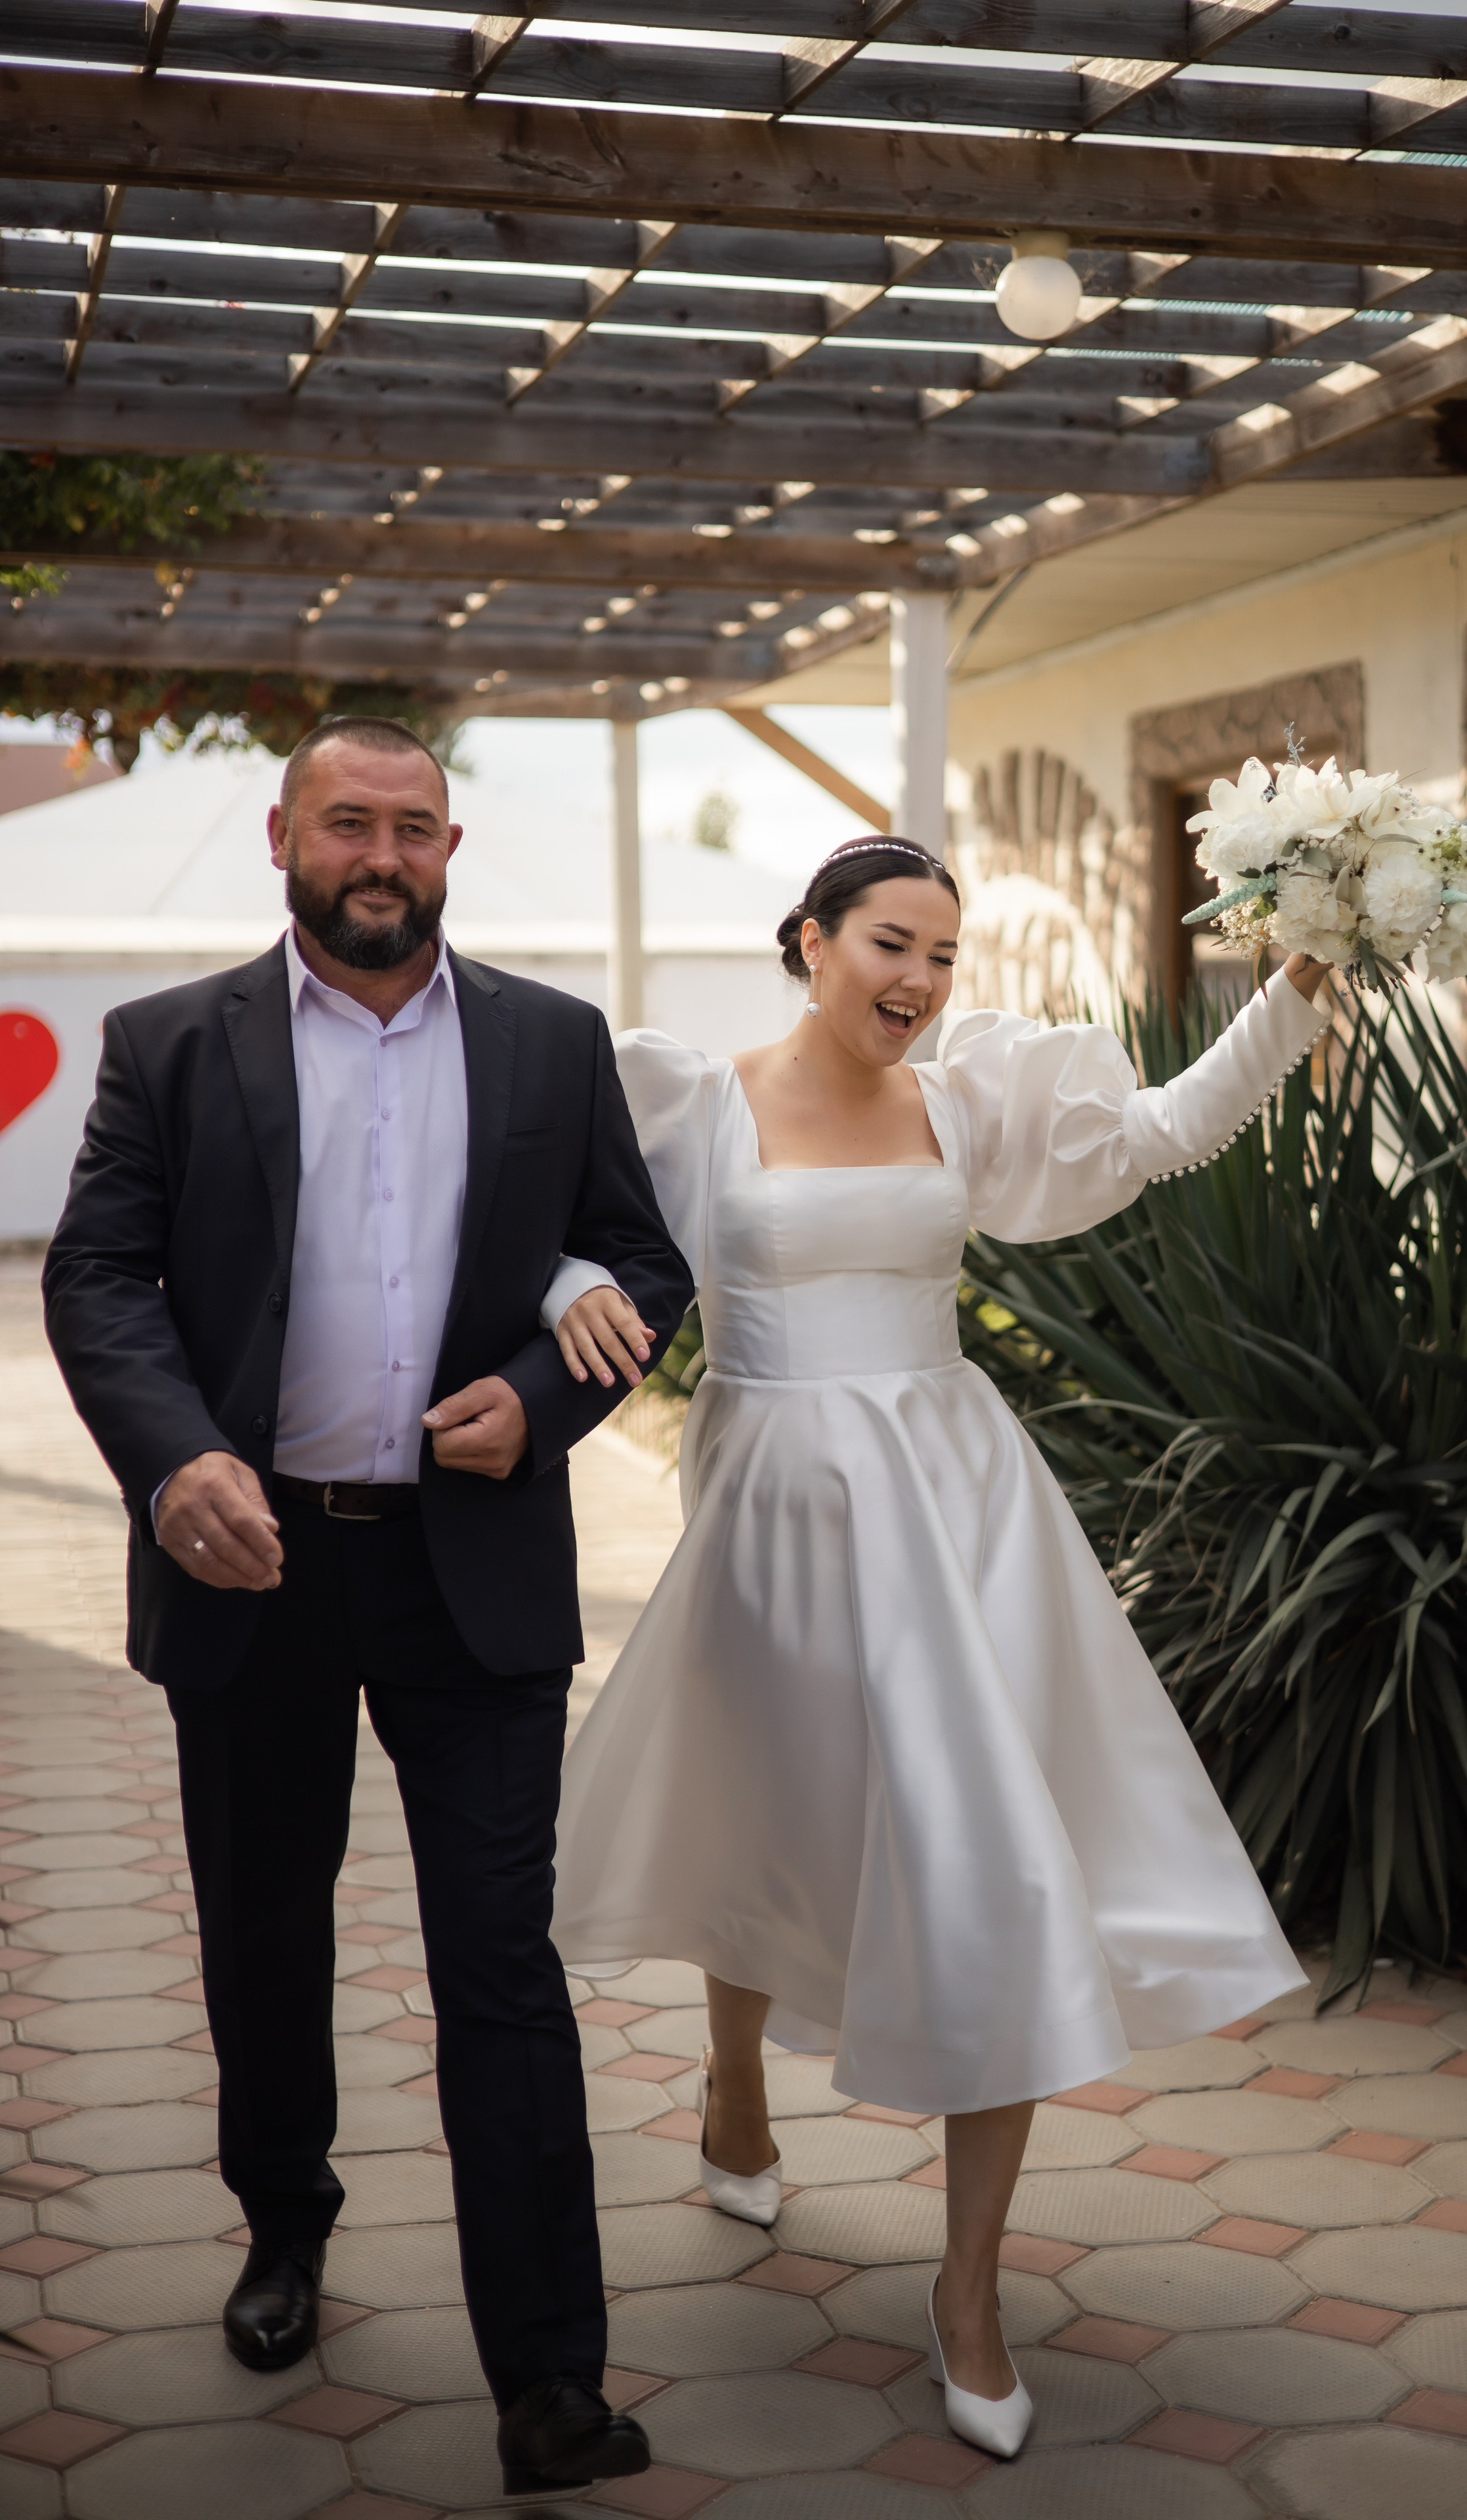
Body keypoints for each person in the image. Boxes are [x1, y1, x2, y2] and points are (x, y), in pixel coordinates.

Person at [541, 836, 1333, 2460]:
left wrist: (1295, 995)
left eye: (944, 956)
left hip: (955, 1516)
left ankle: (965, 2293)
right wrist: (562, 1281)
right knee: (766, 1819)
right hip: (769, 1515)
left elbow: (1169, 1131)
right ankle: (734, 2082)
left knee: (992, 1866)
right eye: (889, 944)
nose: (918, 981)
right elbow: (558, 1217)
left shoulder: (967, 1096)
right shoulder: (689, 1097)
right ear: (810, 942)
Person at [43, 719, 692, 2496]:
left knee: (502, 1968)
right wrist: (174, 1464)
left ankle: (552, 2375)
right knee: (266, 1934)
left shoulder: (553, 1044)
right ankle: (285, 2225)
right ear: (285, 837)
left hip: (470, 1572)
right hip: (248, 1561)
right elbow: (102, 1275)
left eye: (412, 826)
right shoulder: (170, 1044)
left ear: (452, 848)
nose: (381, 854)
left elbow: (643, 1260)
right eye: (350, 822)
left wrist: (548, 1403)